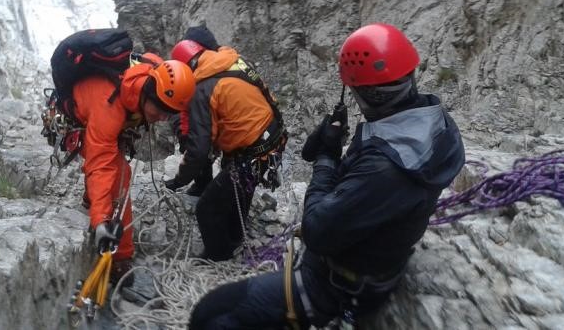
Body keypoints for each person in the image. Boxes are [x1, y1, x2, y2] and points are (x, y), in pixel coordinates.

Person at [188, 23, 465, 329]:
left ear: (362, 93)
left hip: (335, 285)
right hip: (374, 261)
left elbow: (316, 230)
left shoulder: (385, 167)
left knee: (211, 314)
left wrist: (326, 157)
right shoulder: (436, 124)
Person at [164, 26, 286, 261]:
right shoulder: (233, 61)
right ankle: (235, 236)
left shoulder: (202, 87)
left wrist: (180, 179)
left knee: (206, 209)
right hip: (272, 140)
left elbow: (199, 150)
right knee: (237, 191)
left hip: (250, 154)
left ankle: (218, 258)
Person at [73, 54, 195, 278]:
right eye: (158, 110)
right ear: (148, 92)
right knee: (119, 176)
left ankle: (92, 200)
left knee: (115, 172)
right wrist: (101, 222)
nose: (160, 118)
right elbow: (100, 165)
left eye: (167, 114)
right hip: (85, 113)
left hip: (110, 116)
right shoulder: (108, 106)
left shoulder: (154, 75)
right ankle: (120, 257)